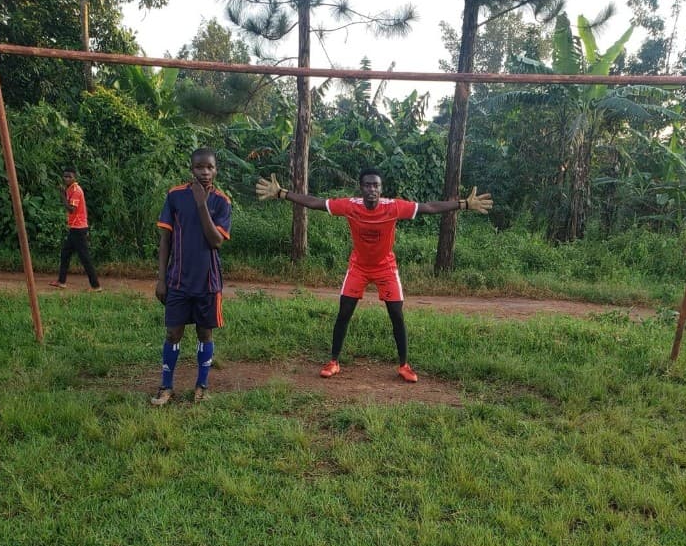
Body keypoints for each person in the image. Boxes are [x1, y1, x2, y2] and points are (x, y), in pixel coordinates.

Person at [256, 167, 493, 382]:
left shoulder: (393, 207)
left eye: (376, 185)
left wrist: (463, 204)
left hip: (385, 267)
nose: (372, 189)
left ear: (381, 189)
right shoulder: (350, 206)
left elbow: (429, 208)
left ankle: (404, 365)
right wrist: (282, 193)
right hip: (358, 267)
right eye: (368, 185)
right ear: (361, 188)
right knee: (344, 312)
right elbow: (316, 202)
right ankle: (333, 361)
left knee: (396, 315)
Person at [151, 148, 232, 406]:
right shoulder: (175, 195)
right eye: (199, 167)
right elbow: (165, 240)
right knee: (173, 333)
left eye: (210, 167)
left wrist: (200, 203)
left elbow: (216, 241)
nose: (205, 172)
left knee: (204, 334)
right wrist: (161, 279)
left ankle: (202, 386)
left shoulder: (221, 201)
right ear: (191, 169)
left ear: (216, 170)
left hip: (208, 282)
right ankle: (166, 387)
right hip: (177, 280)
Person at [49, 167, 102, 291]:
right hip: (74, 228)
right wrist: (64, 194)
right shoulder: (70, 189)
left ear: (75, 178)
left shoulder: (76, 191)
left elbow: (71, 209)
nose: (66, 179)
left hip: (78, 229)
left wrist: (62, 196)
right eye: (65, 176)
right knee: (65, 253)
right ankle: (61, 281)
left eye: (69, 177)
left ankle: (96, 286)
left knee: (85, 258)